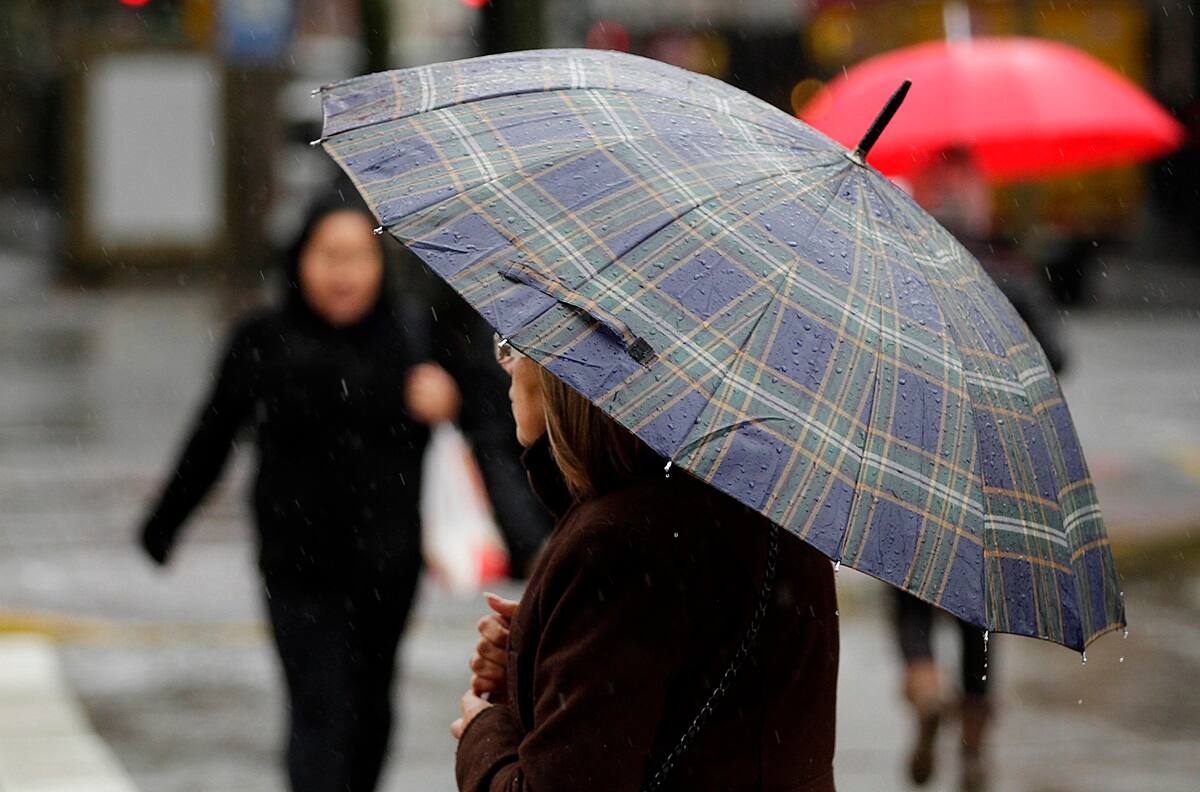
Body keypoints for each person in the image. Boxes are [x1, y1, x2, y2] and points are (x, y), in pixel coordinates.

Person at [136, 192, 459, 792]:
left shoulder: (413, 331)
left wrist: (447, 399)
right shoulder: (262, 339)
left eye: (358, 257)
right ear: (300, 260)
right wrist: (164, 523)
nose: (343, 273)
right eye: (328, 256)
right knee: (319, 708)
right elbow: (211, 437)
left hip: (386, 566)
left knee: (370, 709)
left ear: (379, 264)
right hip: (297, 565)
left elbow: (496, 419)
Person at [449, 338, 840, 791]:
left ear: (569, 371)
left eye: (515, 345)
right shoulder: (773, 505)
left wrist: (485, 732)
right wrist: (538, 652)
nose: (507, 365)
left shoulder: (620, 544)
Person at [901, 148, 1068, 791]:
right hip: (994, 469)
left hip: (920, 459)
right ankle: (973, 735)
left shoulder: (908, 270)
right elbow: (1056, 357)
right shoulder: (1007, 271)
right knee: (980, 607)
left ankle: (921, 681)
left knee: (912, 584)